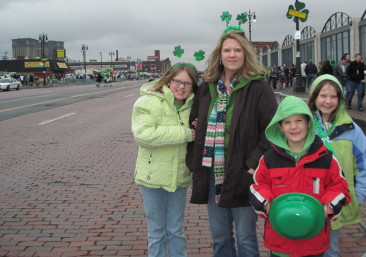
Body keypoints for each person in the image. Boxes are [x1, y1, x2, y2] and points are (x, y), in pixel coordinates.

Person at [187, 28, 278, 257]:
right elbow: (193, 124)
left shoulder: (258, 88)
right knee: (220, 238)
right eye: (227, 50)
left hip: (242, 173)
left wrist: (251, 164)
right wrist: (193, 160)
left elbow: (272, 131)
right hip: (211, 172)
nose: (232, 55)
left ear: (245, 54)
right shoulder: (207, 88)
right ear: (219, 55)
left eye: (237, 50)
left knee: (246, 238)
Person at [249, 96, 350, 257]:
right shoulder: (269, 159)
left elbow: (339, 187)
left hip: (313, 242)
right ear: (280, 127)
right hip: (279, 241)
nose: (294, 127)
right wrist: (265, 202)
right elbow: (258, 186)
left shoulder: (326, 157)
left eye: (299, 121)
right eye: (287, 122)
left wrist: (330, 204)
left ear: (308, 123)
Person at [131, 62, 199, 257]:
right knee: (157, 232)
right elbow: (144, 136)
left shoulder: (194, 106)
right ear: (169, 81)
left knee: (176, 230)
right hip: (152, 177)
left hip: (179, 177)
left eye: (188, 83)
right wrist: (186, 133)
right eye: (178, 81)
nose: (182, 87)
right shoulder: (147, 102)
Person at [307, 75, 366, 257]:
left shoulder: (351, 129)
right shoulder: (303, 125)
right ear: (314, 97)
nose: (328, 101)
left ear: (340, 99)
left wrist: (358, 196)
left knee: (330, 249)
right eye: (323, 96)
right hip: (307, 202)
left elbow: (364, 164)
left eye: (333, 96)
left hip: (334, 202)